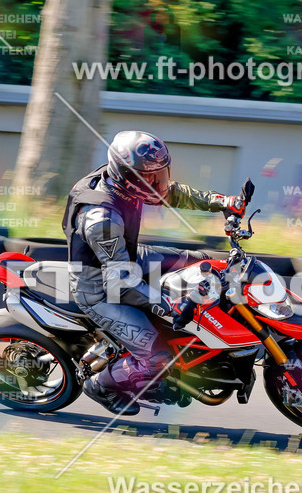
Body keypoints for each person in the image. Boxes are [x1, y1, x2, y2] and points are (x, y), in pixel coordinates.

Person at [62, 131, 244, 415]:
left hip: (126, 258)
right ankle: (101, 386)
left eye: (161, 173)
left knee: (203, 262)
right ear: (127, 175)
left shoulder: (128, 182)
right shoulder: (101, 219)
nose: (158, 183)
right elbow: (120, 283)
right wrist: (172, 306)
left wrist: (221, 201)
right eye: (151, 177)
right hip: (100, 289)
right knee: (156, 359)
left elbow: (172, 193)